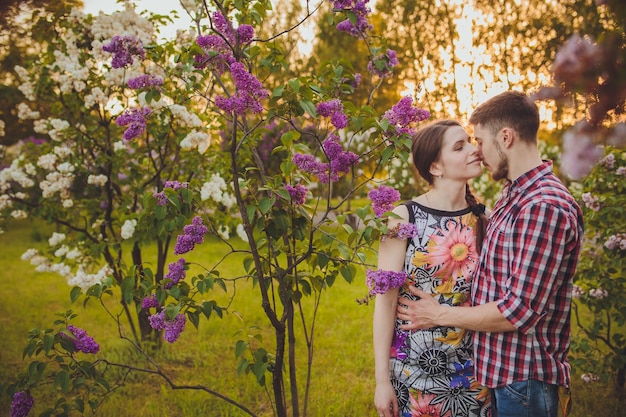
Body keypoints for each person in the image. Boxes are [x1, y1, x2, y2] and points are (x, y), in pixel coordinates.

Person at [398, 91, 583, 417]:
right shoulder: (513, 195)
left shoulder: (543, 205)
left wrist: (438, 314)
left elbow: (518, 311)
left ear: (506, 137)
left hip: (525, 379)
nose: (478, 152)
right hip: (500, 376)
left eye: (480, 141)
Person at [373, 120, 492, 417]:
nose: (474, 150)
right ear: (436, 168)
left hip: (473, 372)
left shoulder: (485, 218)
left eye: (470, 141)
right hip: (412, 371)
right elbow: (385, 303)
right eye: (459, 146)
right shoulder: (403, 218)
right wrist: (381, 380)